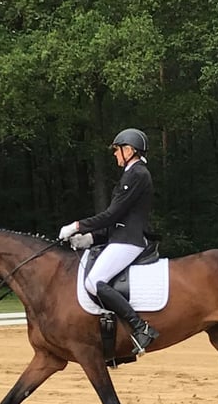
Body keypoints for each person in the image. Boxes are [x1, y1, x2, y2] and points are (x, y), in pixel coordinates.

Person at [58, 128, 160, 356]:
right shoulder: (131, 174)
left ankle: (141, 327)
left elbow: (113, 214)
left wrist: (77, 226)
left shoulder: (137, 174)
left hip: (129, 240)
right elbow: (119, 219)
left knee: (94, 281)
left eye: (117, 150)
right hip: (121, 236)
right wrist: (91, 238)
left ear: (130, 150)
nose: (115, 154)